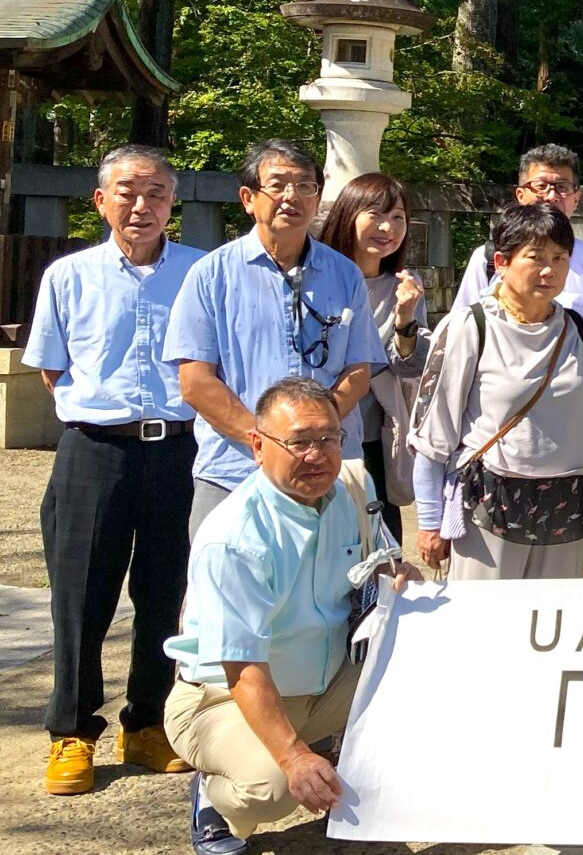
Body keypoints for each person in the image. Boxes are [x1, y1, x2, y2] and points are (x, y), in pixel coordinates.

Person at [164, 376, 416, 855]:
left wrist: (400, 574)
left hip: (326, 680)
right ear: (258, 446)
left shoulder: (352, 490)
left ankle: (330, 750)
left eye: (328, 438)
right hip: (223, 697)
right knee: (272, 788)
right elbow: (242, 669)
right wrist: (293, 755)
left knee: (429, 681)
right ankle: (214, 800)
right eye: (299, 441)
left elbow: (385, 564)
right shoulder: (235, 538)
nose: (317, 455)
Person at [25, 145, 206, 795]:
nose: (142, 204)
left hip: (179, 449)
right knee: (82, 596)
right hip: (93, 450)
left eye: (156, 192)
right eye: (127, 191)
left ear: (171, 204)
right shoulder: (68, 276)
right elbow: (51, 368)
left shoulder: (199, 271)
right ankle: (72, 732)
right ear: (101, 201)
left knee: (165, 593)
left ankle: (148, 721)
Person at [164, 139, 381, 536]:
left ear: (317, 199)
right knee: (228, 593)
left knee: (337, 592)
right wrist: (271, 443)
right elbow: (196, 383)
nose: (291, 197)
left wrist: (311, 440)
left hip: (330, 471)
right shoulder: (211, 275)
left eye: (305, 186)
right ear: (248, 198)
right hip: (235, 471)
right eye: (278, 184)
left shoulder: (345, 274)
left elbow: (359, 370)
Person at [411, 204, 583, 580]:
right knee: (484, 627)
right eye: (535, 257)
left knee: (551, 627)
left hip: (564, 507)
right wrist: (429, 521)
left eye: (560, 257)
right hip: (489, 505)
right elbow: (432, 432)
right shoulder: (471, 325)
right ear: (502, 262)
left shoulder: (577, 331)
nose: (549, 270)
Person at [317, 172, 429, 541]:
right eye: (375, 215)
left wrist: (405, 319)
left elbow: (411, 368)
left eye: (398, 217)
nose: (387, 227)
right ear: (348, 215)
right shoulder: (318, 279)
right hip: (321, 428)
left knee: (380, 541)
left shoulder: (403, 287)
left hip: (375, 439)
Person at [447, 143, 583, 319]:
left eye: (562, 187)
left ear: (576, 198)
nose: (551, 197)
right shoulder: (488, 259)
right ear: (520, 195)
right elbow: (461, 323)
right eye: (541, 186)